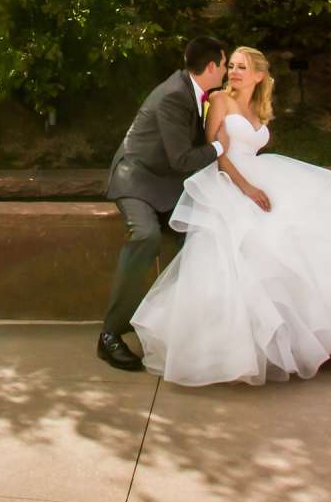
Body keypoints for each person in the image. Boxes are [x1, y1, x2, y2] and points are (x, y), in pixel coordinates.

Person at [131, 45, 331, 385]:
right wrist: (247, 189)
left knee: (328, 229)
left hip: (263, 174)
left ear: (259, 75)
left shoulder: (260, 106)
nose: (234, 72)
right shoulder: (220, 101)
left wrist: (257, 183)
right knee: (260, 247)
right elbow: (218, 154)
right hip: (230, 180)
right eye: (232, 66)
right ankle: (261, 347)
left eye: (241, 67)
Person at [96, 36, 231, 372]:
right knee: (146, 237)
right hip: (136, 179)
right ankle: (110, 334)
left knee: (205, 233)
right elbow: (183, 158)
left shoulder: (197, 93)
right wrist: (219, 149)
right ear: (212, 66)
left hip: (165, 182)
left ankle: (186, 328)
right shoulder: (174, 95)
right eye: (226, 65)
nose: (227, 71)